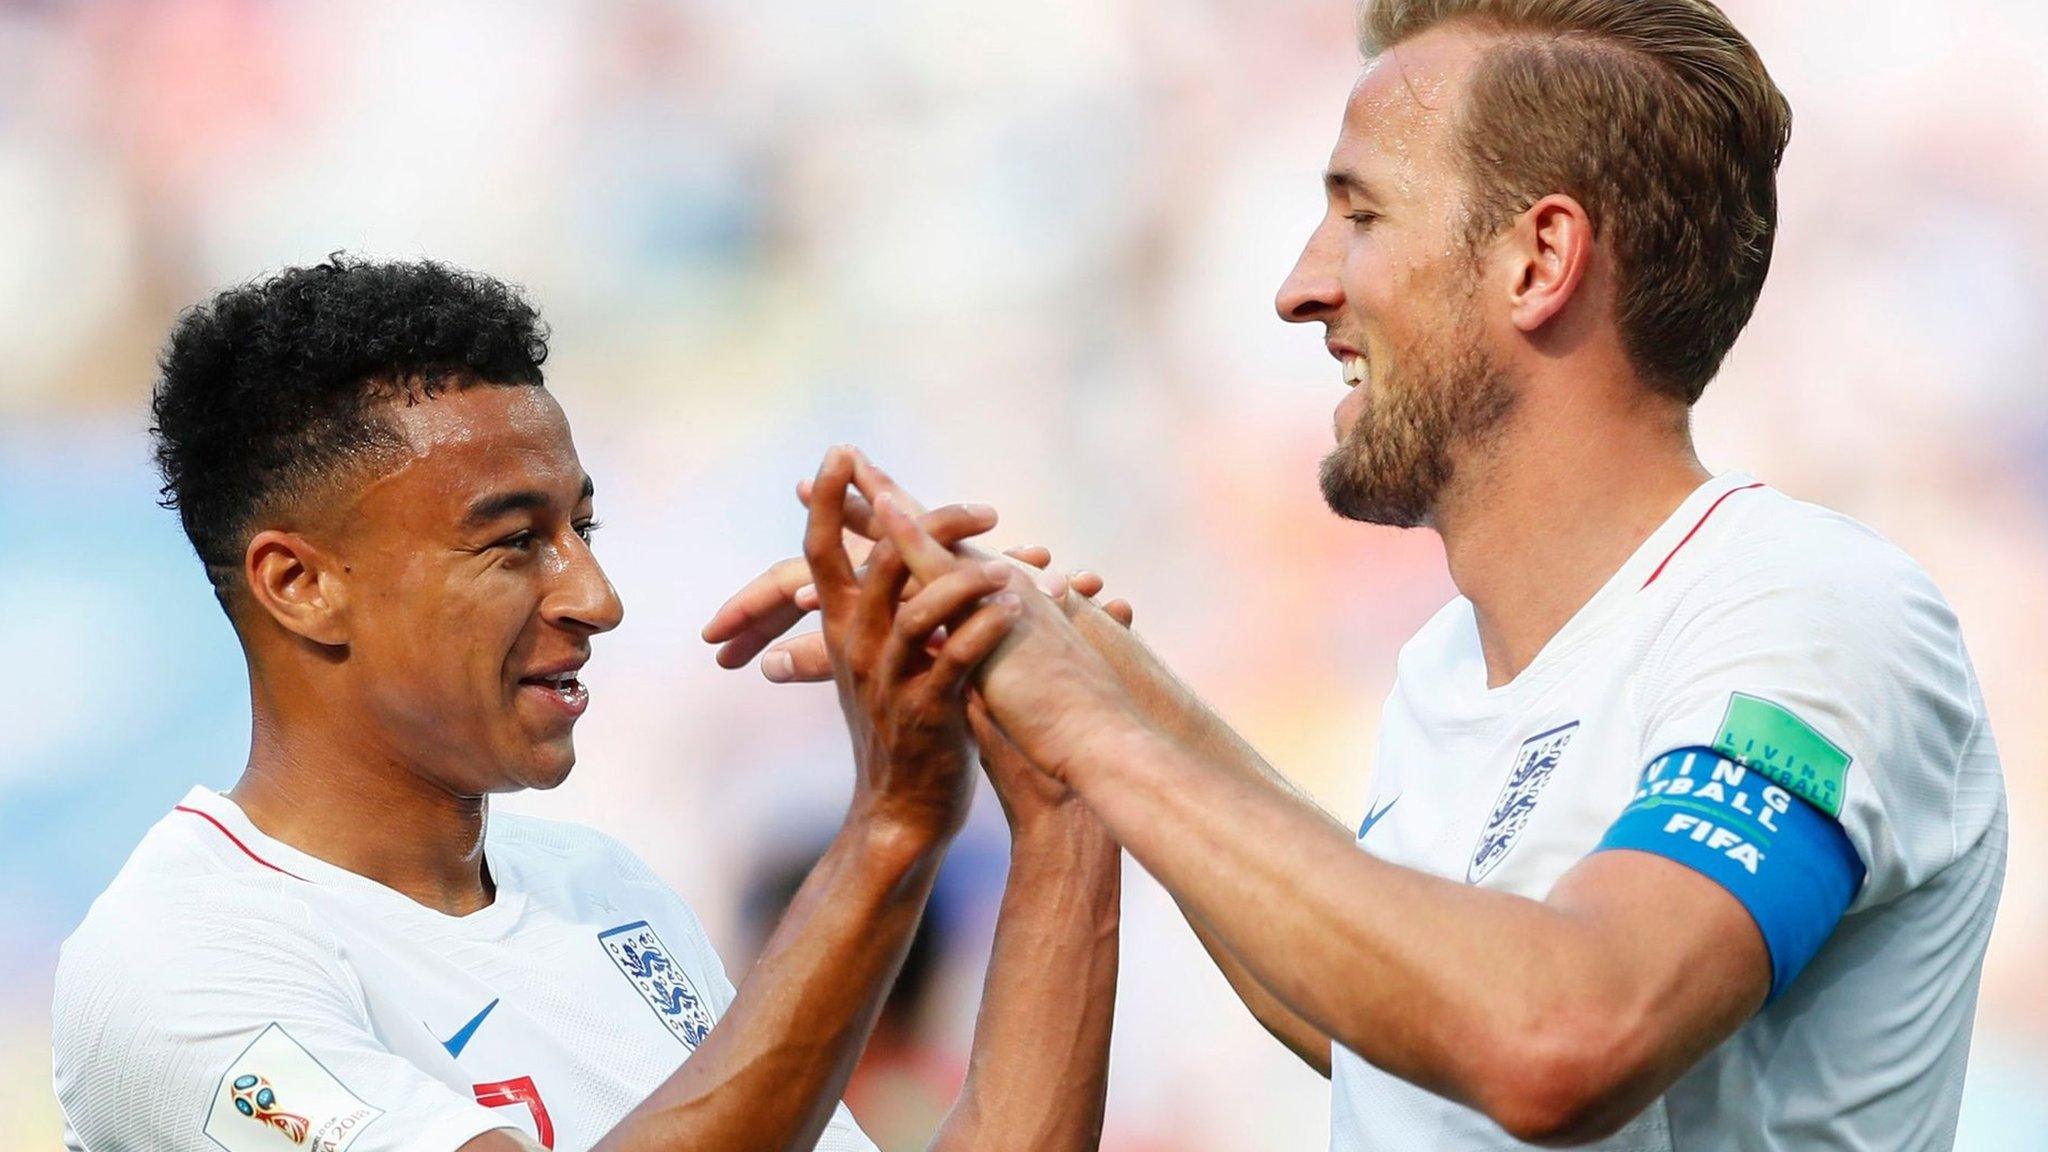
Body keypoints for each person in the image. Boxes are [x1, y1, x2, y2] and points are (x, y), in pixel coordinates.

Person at [717, 2, 2009, 1148]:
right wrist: (1064, 660)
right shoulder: (1454, 669)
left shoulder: (1812, 609)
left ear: (1539, 261)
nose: (1300, 286)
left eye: (1362, 213)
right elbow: (1395, 1038)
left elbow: (1563, 1039)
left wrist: (1102, 728)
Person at [51, 258, 1121, 1152]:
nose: (595, 597)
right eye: (515, 540)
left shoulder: (603, 891)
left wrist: (1068, 797)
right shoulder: (176, 964)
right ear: (302, 585)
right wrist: (890, 824)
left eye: (583, 530)